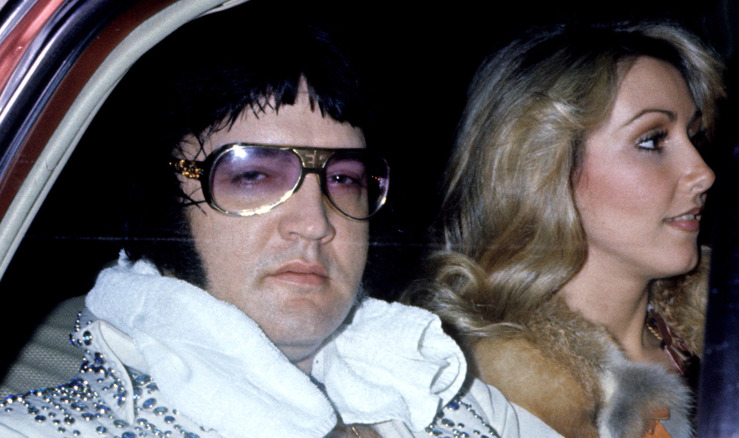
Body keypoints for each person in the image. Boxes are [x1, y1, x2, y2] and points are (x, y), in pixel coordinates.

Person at [0, 6, 560, 438]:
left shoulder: (451, 397)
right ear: (161, 205)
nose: (314, 223)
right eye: (253, 175)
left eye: (343, 179)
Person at [409, 20, 725, 438]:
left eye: (695, 136)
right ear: (546, 166)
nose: (703, 173)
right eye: (652, 140)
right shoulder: (468, 398)